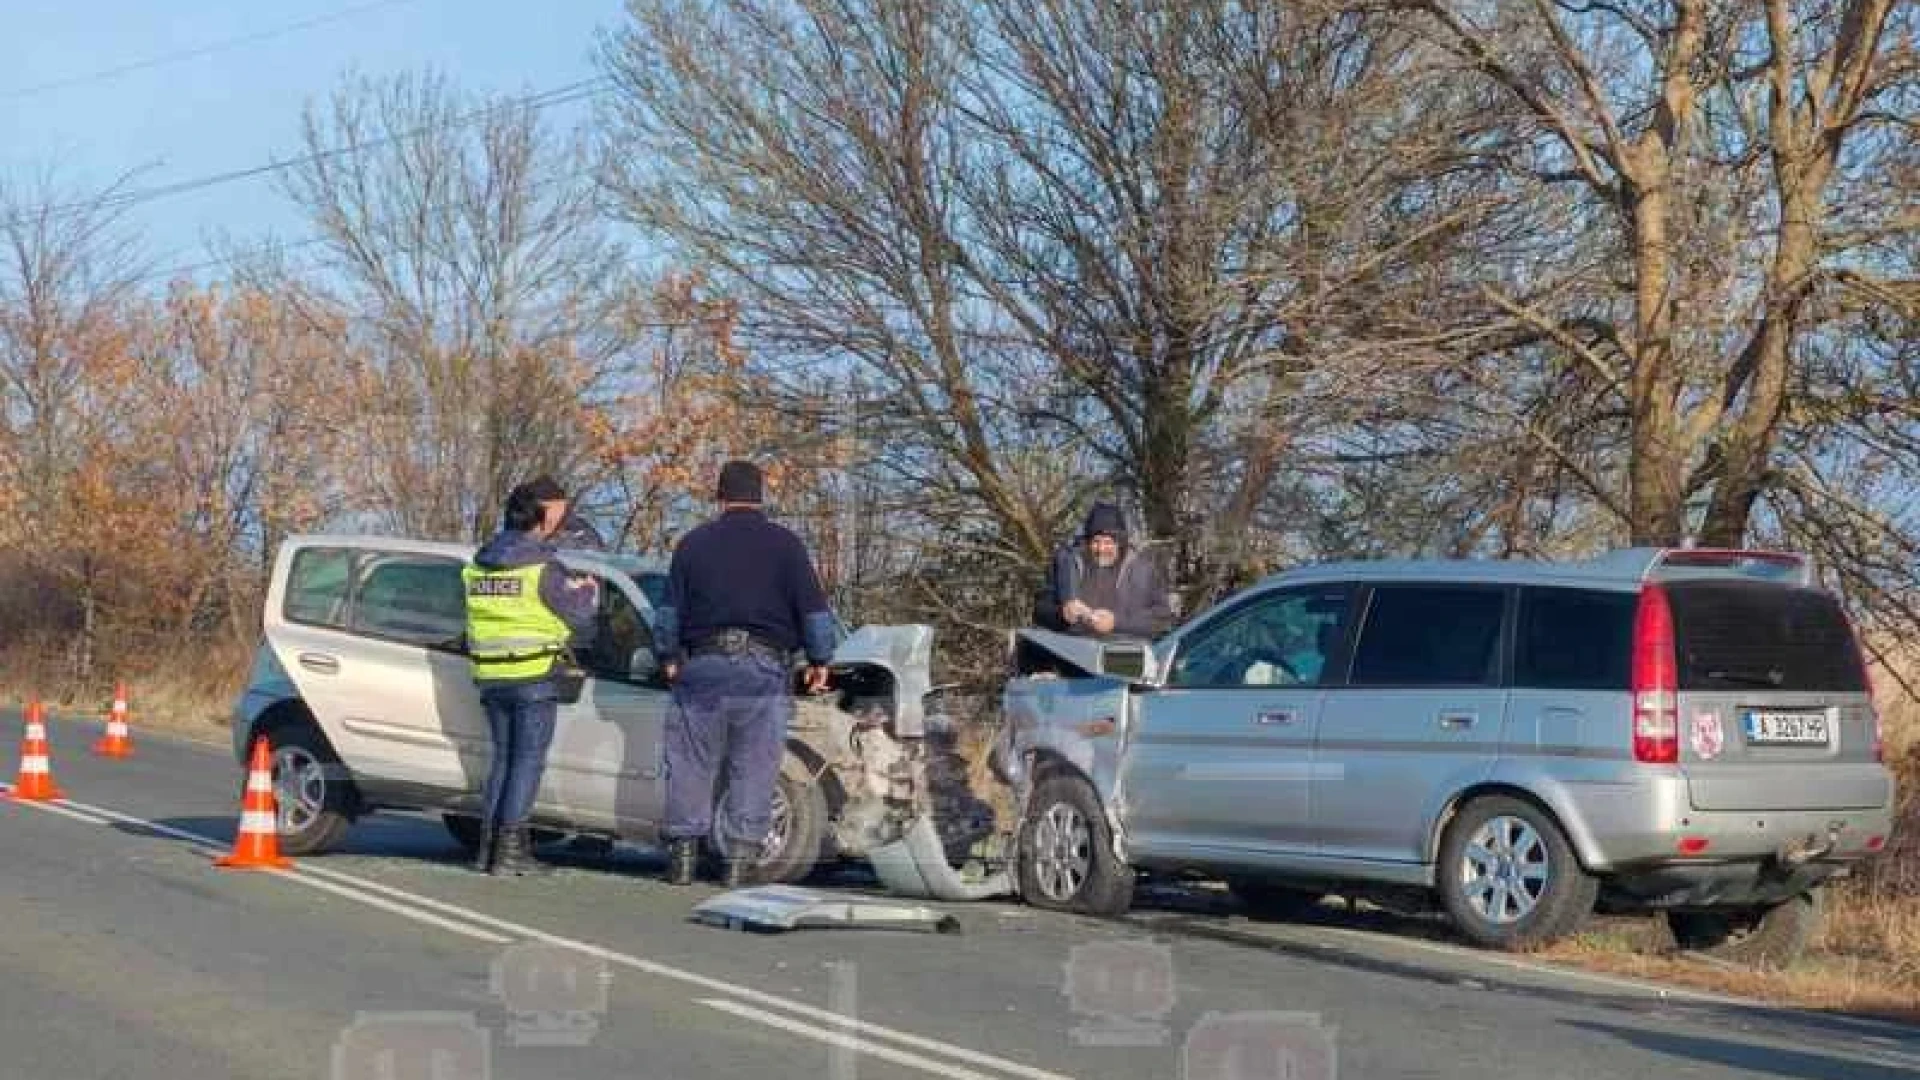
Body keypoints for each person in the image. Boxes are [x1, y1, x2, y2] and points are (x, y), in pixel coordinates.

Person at [651, 460, 837, 887]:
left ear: (719, 496)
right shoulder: (786, 546)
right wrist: (820, 661)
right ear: (761, 497)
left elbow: (668, 613)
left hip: (703, 666)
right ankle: (738, 861)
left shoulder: (693, 545)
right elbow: (814, 612)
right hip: (762, 668)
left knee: (690, 762)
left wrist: (668, 657)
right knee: (753, 765)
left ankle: (682, 856)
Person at [462, 475, 599, 876]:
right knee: (527, 762)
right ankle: (510, 854)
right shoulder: (542, 567)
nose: (560, 520)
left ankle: (488, 850)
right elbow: (578, 615)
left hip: (491, 675)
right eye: (557, 512)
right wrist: (587, 591)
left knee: (503, 759)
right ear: (541, 516)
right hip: (535, 674)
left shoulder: (479, 563)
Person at [1033, 501, 1173, 639]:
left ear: (1120, 543)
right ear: (1087, 542)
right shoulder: (1067, 564)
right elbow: (1040, 610)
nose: (1101, 549)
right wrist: (1061, 614)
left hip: (1125, 653)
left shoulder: (1143, 571)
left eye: (1108, 542)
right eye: (1096, 541)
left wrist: (1116, 623)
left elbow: (1162, 619)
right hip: (1071, 652)